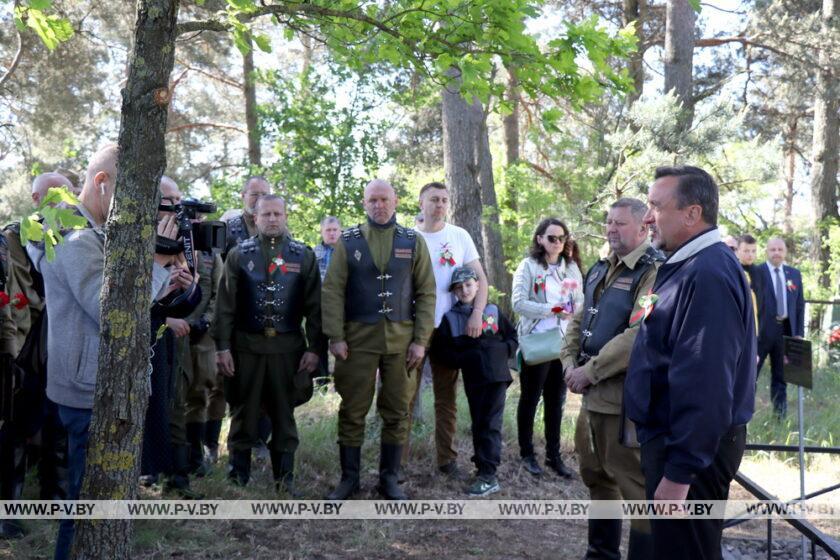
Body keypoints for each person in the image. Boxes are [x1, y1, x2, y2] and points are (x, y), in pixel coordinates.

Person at [27, 144, 177, 560]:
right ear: (102, 183)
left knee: (96, 508)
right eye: (133, 194)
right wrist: (159, 265)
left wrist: (167, 277)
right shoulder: (74, 236)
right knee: (86, 511)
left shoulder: (95, 231)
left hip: (97, 383)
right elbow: (110, 313)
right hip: (88, 390)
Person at [625, 165, 756, 560]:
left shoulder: (708, 273)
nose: (647, 218)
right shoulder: (687, 264)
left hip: (689, 453)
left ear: (692, 214)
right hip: (675, 443)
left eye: (655, 207)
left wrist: (680, 472)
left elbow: (708, 382)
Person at [322, 179, 435, 500]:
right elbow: (332, 290)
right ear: (364, 203)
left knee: (398, 410)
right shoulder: (349, 240)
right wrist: (335, 336)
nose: (379, 205)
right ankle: (349, 479)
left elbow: (427, 293)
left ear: (396, 201)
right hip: (356, 341)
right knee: (352, 409)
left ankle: (389, 479)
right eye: (372, 200)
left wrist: (421, 340)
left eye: (384, 199)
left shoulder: (413, 241)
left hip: (403, 343)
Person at [561, 198, 662, 560]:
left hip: (624, 401)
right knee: (597, 478)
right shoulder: (600, 268)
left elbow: (639, 334)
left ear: (643, 228)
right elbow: (578, 321)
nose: (611, 229)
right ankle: (600, 554)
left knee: (635, 488)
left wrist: (589, 372)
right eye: (608, 223)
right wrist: (569, 363)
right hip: (591, 399)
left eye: (619, 224)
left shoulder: (653, 271)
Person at [213, 194, 323, 495]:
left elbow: (316, 308)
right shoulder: (238, 255)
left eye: (277, 213)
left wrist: (314, 349)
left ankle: (284, 480)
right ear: (256, 217)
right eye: (266, 214)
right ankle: (237, 477)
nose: (272, 219)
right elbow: (225, 305)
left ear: (286, 216)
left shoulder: (303, 255)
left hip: (288, 351)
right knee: (242, 412)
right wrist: (222, 347)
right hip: (246, 348)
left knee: (284, 415)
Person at [406, 181, 489, 477]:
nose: (439, 205)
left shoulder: (459, 236)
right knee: (405, 397)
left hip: (449, 329)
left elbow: (481, 279)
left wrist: (477, 313)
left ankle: (447, 460)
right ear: (420, 203)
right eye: (433, 200)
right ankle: (398, 464)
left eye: (443, 200)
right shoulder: (408, 238)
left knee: (446, 399)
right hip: (414, 331)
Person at [429, 266, 517, 496]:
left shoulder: (493, 311)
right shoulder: (450, 319)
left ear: (478, 285)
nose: (465, 290)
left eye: (469, 284)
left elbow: (512, 337)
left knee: (491, 423)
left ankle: (489, 474)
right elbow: (441, 353)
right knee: (479, 422)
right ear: (454, 293)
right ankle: (482, 467)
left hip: (497, 376)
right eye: (459, 288)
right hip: (474, 378)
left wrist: (501, 350)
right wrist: (467, 358)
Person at [511, 217, 583, 478]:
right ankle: (527, 453)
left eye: (562, 238)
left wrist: (572, 310)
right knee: (530, 397)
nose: (557, 243)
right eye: (552, 238)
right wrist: (551, 310)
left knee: (557, 400)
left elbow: (580, 301)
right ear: (539, 239)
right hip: (538, 341)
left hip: (563, 344)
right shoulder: (528, 266)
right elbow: (518, 303)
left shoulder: (570, 267)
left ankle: (554, 456)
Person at [756, 237, 804, 418]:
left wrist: (798, 333)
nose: (776, 253)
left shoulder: (794, 274)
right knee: (750, 376)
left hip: (786, 332)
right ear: (767, 251)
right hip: (761, 334)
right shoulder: (757, 272)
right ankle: (742, 418)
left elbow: (799, 305)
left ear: (785, 252)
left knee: (781, 377)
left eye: (780, 249)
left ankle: (780, 417)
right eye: (773, 249)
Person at [314, 216, 341, 281]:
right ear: (321, 232)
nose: (332, 233)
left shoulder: (348, 251)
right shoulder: (313, 252)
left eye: (335, 230)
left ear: (340, 231)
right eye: (328, 230)